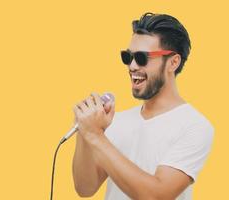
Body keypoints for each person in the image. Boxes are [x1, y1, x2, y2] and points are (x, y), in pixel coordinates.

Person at [72, 12, 214, 200]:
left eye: (141, 57)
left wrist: (96, 136)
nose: (132, 66)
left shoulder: (194, 126)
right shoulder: (116, 122)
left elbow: (156, 196)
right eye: (127, 56)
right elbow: (85, 188)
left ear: (173, 62)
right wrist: (85, 131)